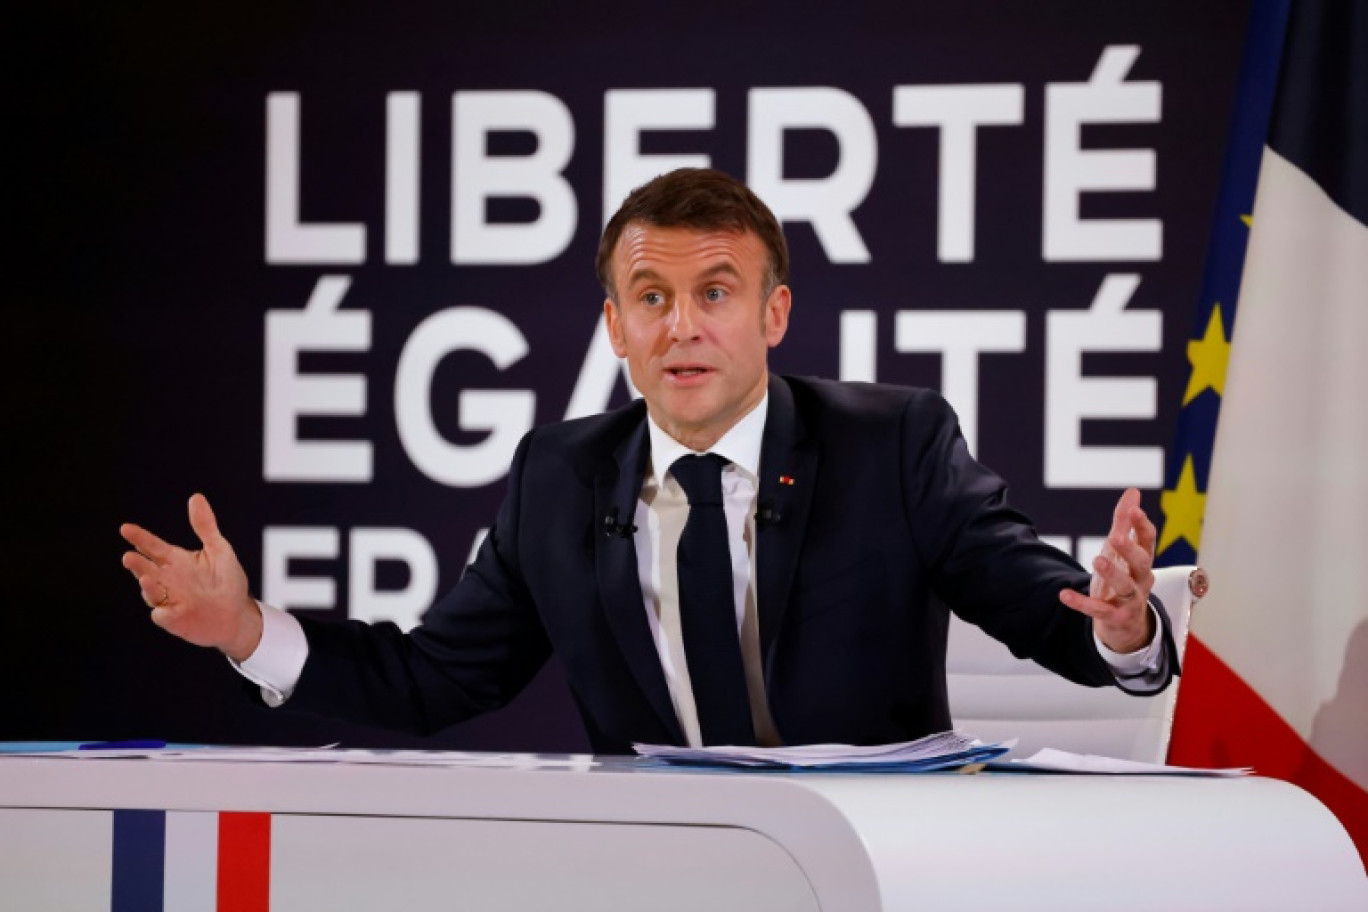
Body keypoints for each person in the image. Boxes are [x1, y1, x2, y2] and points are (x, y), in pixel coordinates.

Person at [120, 168, 1175, 754]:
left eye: (715, 293)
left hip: (867, 868)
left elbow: (1043, 608)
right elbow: (437, 679)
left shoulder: (893, 444)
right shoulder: (558, 478)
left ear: (775, 314)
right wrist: (247, 632)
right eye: (652, 299)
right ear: (615, 327)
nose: (683, 328)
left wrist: (1122, 624)